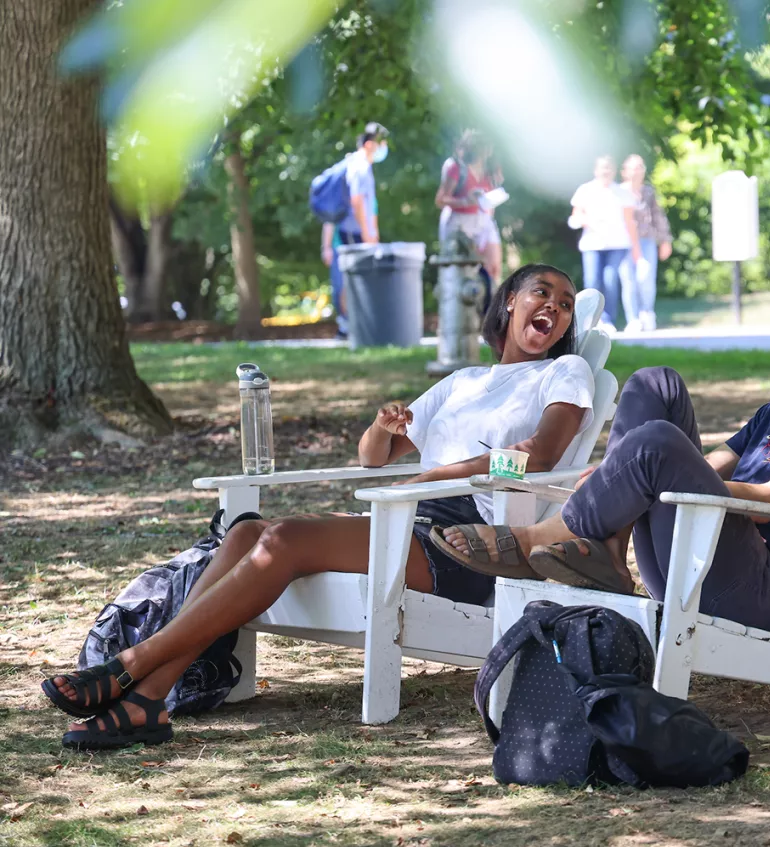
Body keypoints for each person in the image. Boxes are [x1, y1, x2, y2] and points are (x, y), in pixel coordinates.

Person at [42, 264, 594, 750]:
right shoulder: (463, 382)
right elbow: (373, 457)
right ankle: (148, 701)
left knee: (281, 540)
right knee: (245, 533)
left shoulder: (563, 373)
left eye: (566, 304)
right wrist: (383, 426)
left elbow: (538, 461)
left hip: (474, 545)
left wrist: (446, 473)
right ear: (509, 304)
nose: (555, 307)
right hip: (409, 517)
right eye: (542, 293)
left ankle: (131, 665)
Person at [432, 253, 770, 635]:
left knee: (657, 442)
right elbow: (707, 466)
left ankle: (533, 540)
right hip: (691, 558)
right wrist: (628, 471)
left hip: (755, 593)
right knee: (655, 384)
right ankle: (610, 555)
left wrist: (647, 467)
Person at [322, 122, 388, 338]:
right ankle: (347, 326)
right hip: (353, 231)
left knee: (357, 278)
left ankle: (354, 324)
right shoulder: (359, 166)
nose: (383, 148)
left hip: (358, 230)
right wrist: (367, 231)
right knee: (351, 278)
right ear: (370, 145)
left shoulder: (361, 166)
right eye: (380, 144)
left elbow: (370, 205)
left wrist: (372, 229)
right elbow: (357, 201)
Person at [569, 155, 640, 332]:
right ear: (595, 170)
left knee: (610, 279)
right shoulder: (585, 190)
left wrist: (635, 247)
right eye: (602, 167)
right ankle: (590, 321)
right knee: (592, 280)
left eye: (609, 167)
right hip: (592, 244)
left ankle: (607, 320)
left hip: (617, 245)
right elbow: (576, 214)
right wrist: (588, 221)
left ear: (614, 170)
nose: (605, 171)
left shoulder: (622, 193)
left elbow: (630, 221)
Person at [436, 129, 504, 286]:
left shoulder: (490, 169)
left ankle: (491, 306)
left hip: (483, 220)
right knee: (461, 270)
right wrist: (466, 201)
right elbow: (440, 200)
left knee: (493, 267)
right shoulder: (457, 168)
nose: (488, 150)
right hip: (459, 222)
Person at [617, 155, 673, 332]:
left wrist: (665, 240)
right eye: (633, 167)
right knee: (629, 281)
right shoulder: (618, 192)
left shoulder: (648, 192)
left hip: (647, 240)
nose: (637, 171)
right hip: (623, 242)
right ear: (624, 171)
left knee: (646, 278)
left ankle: (647, 313)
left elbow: (658, 216)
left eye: (640, 167)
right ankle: (633, 319)